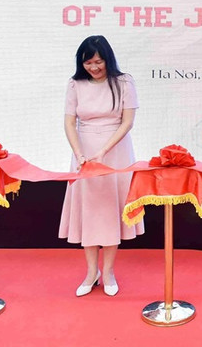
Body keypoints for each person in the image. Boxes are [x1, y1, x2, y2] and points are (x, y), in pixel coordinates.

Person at [59, 35, 144, 297]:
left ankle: (108, 272)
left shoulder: (124, 82)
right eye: (88, 63)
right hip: (84, 153)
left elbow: (127, 122)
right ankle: (90, 271)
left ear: (108, 59)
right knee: (89, 211)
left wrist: (104, 150)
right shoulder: (75, 84)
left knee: (109, 211)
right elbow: (69, 123)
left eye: (98, 62)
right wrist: (79, 153)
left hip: (115, 152)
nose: (94, 68)